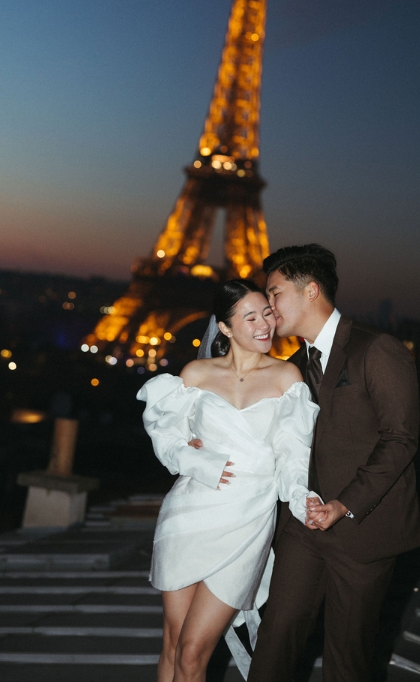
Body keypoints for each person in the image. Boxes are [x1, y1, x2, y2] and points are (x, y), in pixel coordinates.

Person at [248, 244, 420, 682]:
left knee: (346, 659)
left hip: (364, 531)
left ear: (311, 290)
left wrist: (344, 504)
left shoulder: (377, 350)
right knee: (275, 639)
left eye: (274, 293)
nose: (267, 309)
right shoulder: (291, 368)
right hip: (303, 529)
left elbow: (400, 439)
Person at [136, 279, 319, 682]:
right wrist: (193, 457)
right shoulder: (196, 373)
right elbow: (165, 434)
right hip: (189, 514)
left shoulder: (288, 378)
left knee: (193, 651)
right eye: (250, 316)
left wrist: (302, 498)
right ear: (224, 327)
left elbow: (294, 454)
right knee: (172, 642)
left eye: (267, 313)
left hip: (247, 521)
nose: (264, 324)